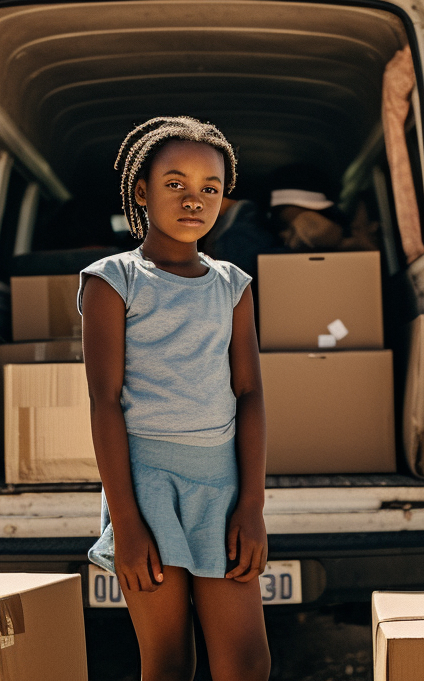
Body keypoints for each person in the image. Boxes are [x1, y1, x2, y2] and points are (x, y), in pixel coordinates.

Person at [78, 116, 270, 681]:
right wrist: (129, 522)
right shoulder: (114, 280)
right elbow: (104, 401)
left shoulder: (232, 284)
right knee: (168, 661)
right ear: (141, 191)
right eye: (175, 184)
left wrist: (252, 507)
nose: (194, 200)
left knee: (247, 662)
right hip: (147, 486)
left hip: (224, 486)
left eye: (210, 188)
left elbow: (251, 393)